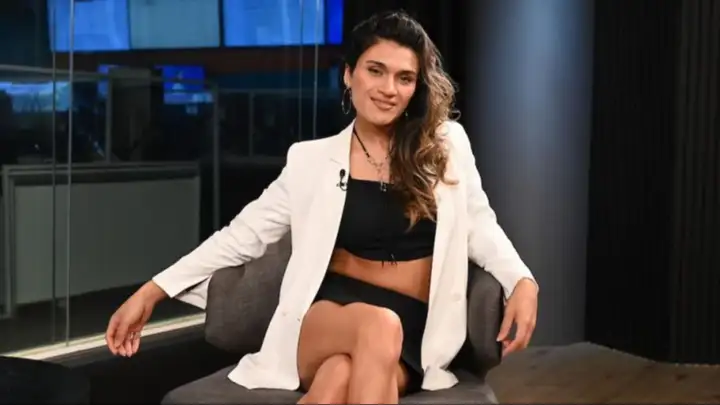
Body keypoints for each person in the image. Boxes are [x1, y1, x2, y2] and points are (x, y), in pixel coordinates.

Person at [105, 10, 539, 404]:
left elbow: (479, 224)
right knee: (378, 327)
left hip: (415, 331)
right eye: (375, 71)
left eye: (405, 78)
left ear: (416, 88)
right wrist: (152, 291)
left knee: (338, 380)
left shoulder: (445, 146)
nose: (389, 89)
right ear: (349, 75)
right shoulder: (311, 161)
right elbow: (242, 236)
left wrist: (521, 279)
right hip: (329, 316)